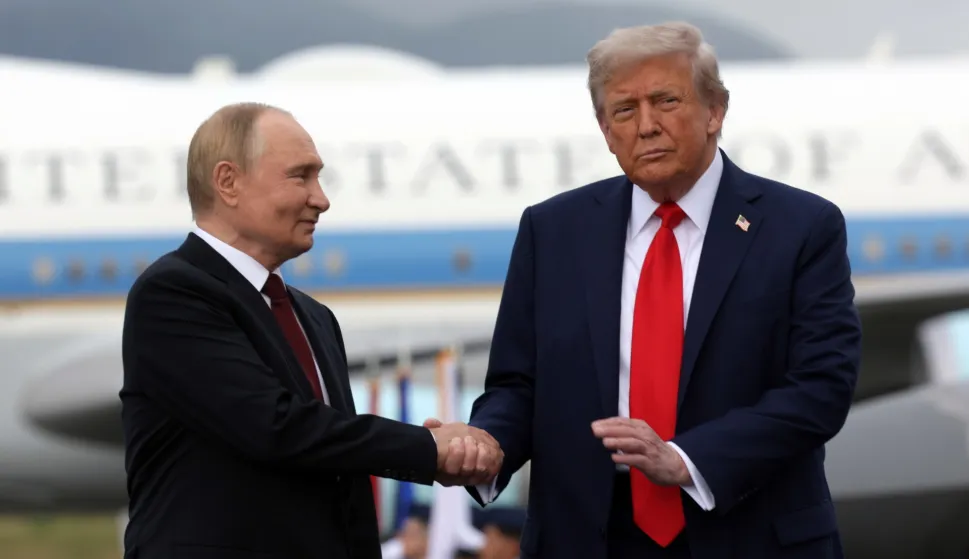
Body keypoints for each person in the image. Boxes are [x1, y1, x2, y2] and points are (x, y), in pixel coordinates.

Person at [461, 21, 861, 559]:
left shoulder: (800, 227)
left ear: (715, 110)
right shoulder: (553, 230)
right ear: (605, 130)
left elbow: (821, 387)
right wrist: (484, 444)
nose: (646, 126)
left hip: (747, 532)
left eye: (666, 101)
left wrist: (687, 460)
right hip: (589, 538)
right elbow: (518, 385)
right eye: (624, 111)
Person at [119, 102, 502, 559]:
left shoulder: (311, 315)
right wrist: (426, 448)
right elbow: (274, 426)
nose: (321, 199)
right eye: (300, 176)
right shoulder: (173, 293)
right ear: (228, 182)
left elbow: (336, 462)